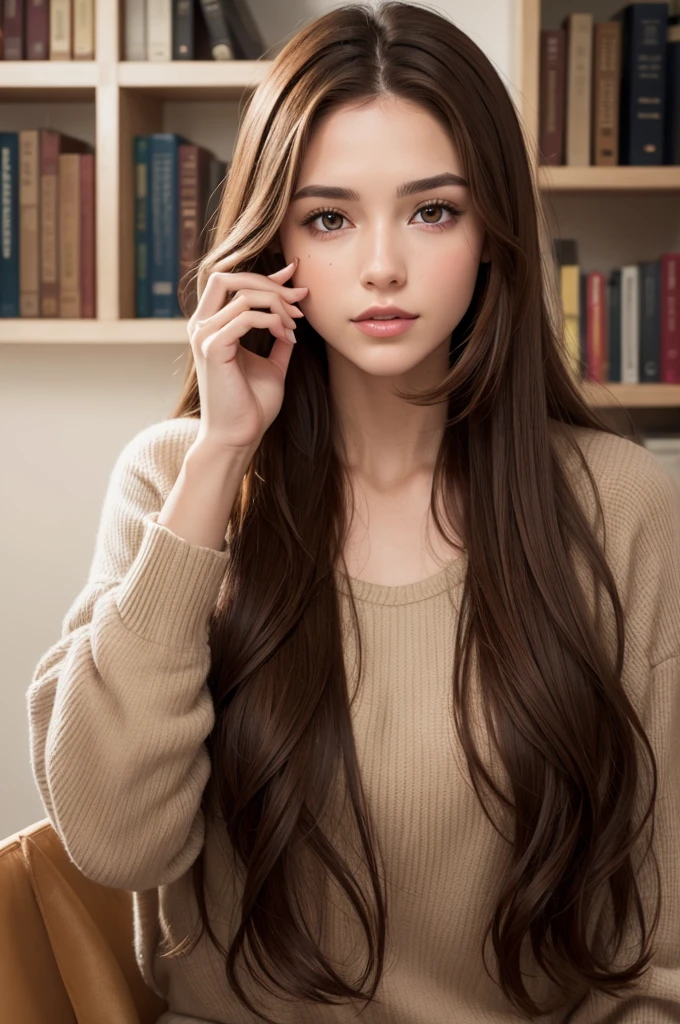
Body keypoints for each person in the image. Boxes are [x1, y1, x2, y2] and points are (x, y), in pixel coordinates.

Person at [27, 2, 680, 1022]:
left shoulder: (622, 508)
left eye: (431, 211)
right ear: (269, 244)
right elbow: (114, 842)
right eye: (328, 218)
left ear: (493, 233)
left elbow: (656, 954)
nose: (382, 265)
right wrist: (221, 458)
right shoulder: (174, 481)